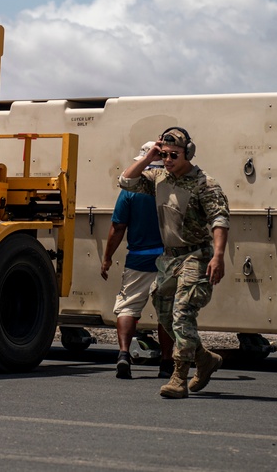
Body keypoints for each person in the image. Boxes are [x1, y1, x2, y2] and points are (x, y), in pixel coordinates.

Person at [118, 127, 230, 399]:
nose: (168, 160)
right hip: (169, 257)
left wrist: (218, 256)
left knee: (183, 313)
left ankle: (179, 376)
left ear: (188, 153)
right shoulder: (158, 177)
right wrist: (149, 157)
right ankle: (204, 359)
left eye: (173, 155)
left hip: (196, 255)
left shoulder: (205, 183)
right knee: (164, 312)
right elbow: (125, 181)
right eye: (164, 154)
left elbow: (219, 219)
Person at [101, 141, 173, 380]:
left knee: (128, 307)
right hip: (168, 259)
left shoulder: (130, 190)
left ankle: (123, 354)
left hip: (138, 259)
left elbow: (118, 226)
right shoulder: (172, 186)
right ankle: (166, 362)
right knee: (166, 312)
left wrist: (107, 257)